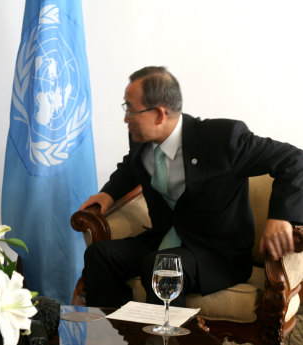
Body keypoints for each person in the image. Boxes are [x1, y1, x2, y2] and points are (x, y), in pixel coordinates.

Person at [80, 66, 303, 308]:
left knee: (161, 265)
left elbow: (294, 160)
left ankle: (167, 339)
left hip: (217, 253)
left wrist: (281, 217)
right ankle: (116, 333)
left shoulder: (222, 138)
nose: (126, 118)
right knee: (99, 255)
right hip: (166, 237)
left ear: (159, 115)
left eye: (130, 109)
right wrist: (108, 193)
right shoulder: (140, 138)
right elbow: (131, 166)